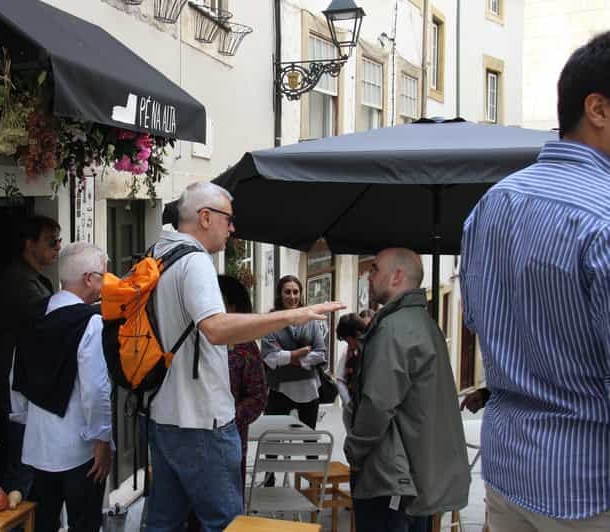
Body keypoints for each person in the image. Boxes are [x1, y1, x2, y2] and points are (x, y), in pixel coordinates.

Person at [460, 32, 610, 531]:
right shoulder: (602, 215)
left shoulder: (492, 204)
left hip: (510, 471)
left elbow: (478, 321)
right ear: (598, 109)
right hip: (588, 485)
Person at [145, 181, 344, 532]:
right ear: (205, 217)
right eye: (228, 218)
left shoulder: (158, 254)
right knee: (228, 524)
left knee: (163, 524)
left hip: (163, 415)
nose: (232, 228)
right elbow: (216, 328)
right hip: (203, 420)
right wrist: (291, 316)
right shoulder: (195, 261)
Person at [344, 248, 469, 532]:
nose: (368, 276)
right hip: (414, 476)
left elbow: (377, 405)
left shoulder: (393, 328)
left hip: (391, 476)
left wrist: (354, 449)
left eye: (375, 269)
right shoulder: (424, 323)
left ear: (396, 276)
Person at [15, 242, 112, 532]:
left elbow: (16, 374)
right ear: (89, 279)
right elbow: (96, 389)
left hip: (38, 441)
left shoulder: (34, 314)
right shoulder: (91, 323)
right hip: (80, 446)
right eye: (104, 275)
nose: (108, 281)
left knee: (43, 522)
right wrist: (102, 438)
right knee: (84, 523)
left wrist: (23, 419)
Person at [187, 275, 268, 532]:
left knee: (226, 516)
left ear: (231, 306)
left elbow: (258, 397)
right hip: (188, 440)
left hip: (227, 443)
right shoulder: (190, 339)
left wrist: (227, 418)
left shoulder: (245, 347)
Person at [0, 215, 61, 497]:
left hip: (32, 382)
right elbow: (52, 317)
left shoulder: (34, 278)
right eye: (51, 242)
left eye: (58, 241)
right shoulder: (19, 281)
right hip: (18, 386)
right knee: (22, 466)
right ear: (29, 244)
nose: (57, 248)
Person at [261, 275, 328, 431]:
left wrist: (291, 358)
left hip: (309, 389)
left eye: (296, 292)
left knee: (309, 439)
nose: (292, 297)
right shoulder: (270, 321)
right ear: (280, 294)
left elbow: (320, 353)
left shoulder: (311, 320)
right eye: (287, 292)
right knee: (273, 439)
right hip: (279, 389)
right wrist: (296, 354)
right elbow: (269, 357)